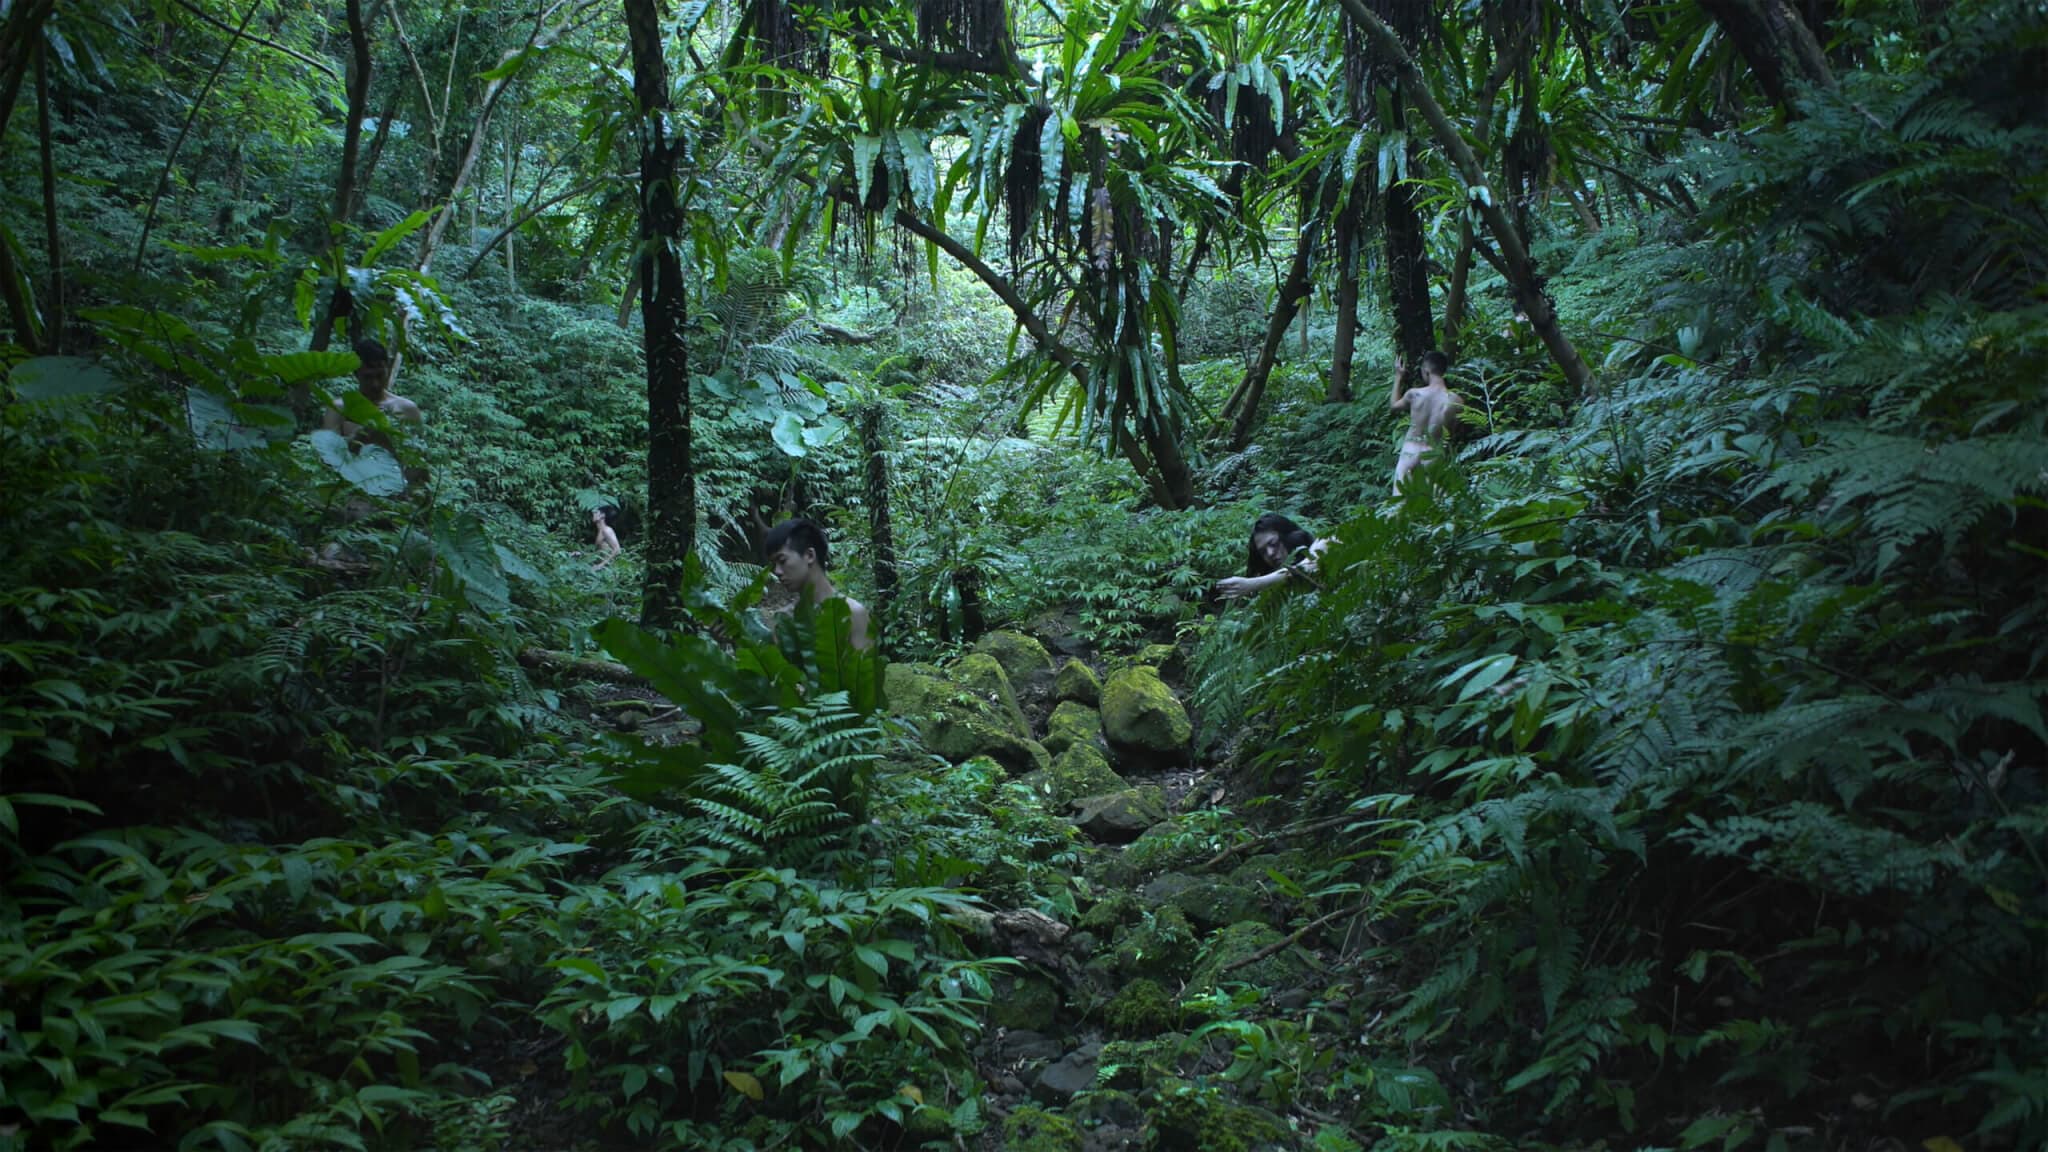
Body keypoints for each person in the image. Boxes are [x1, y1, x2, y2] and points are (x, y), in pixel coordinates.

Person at [763, 517, 872, 650]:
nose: (777, 571)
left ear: (809, 555)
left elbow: (865, 669)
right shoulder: (783, 621)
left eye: (782, 560)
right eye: (774, 564)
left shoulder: (854, 614)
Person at [324, 338, 423, 446]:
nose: (375, 384)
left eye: (380, 375)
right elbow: (328, 454)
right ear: (356, 374)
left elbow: (418, 454)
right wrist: (358, 437)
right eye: (368, 377)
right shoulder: (339, 408)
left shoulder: (407, 408)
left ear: (387, 370)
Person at [1389, 350, 1464, 491]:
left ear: (1426, 370)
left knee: (1398, 508)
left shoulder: (1414, 394)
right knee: (1427, 508)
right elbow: (1453, 432)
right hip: (1433, 455)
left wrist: (1398, 376)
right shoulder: (1456, 401)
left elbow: (1393, 406)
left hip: (1409, 452)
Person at [1214, 513, 1333, 599]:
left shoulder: (1325, 542)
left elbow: (1307, 567)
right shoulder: (1275, 594)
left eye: (1273, 544)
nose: (1270, 553)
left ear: (1290, 536)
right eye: (1263, 552)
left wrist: (1252, 584)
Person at [589, 506, 622, 571]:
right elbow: (597, 553)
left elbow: (617, 550)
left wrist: (601, 565)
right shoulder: (601, 531)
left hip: (609, 569)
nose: (593, 514)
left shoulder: (606, 530)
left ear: (602, 515)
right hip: (604, 569)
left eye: (596, 512)